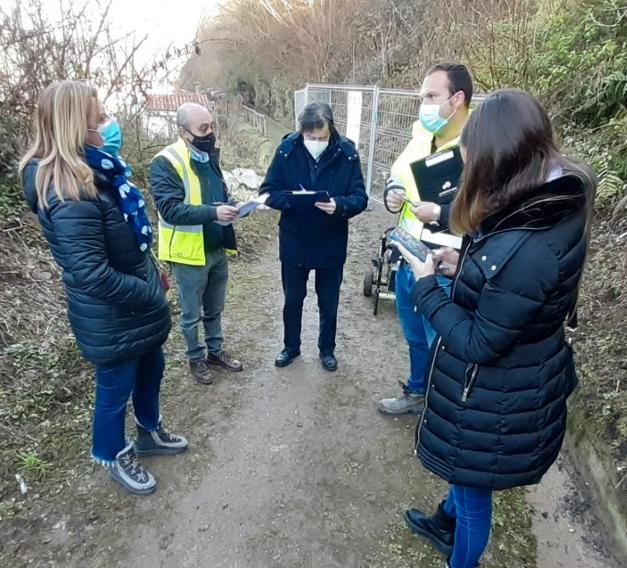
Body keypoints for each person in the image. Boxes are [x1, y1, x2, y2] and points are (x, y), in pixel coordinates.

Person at [390, 89, 594, 568]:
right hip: (512, 370)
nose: (469, 164)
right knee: (463, 471)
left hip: (497, 388)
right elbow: (507, 288)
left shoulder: (530, 243)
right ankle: (445, 520)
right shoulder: (543, 204)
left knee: (472, 478)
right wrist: (461, 266)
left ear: (501, 157)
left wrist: (426, 286)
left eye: (475, 153)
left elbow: (480, 341)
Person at [18, 81, 188, 496]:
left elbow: (126, 239)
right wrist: (148, 294)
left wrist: (152, 273)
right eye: (100, 118)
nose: (109, 125)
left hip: (135, 300)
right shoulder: (68, 189)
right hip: (112, 313)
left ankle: (150, 431)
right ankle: (112, 452)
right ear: (77, 125)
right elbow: (90, 272)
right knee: (115, 389)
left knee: (152, 368)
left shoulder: (99, 172)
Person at [378, 63, 474, 416]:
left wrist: (440, 212)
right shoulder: (420, 135)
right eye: (423, 97)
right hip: (408, 255)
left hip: (446, 266)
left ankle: (446, 412)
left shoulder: (480, 147)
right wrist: (392, 193)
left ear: (457, 98)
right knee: (415, 337)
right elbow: (397, 176)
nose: (424, 105)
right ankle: (417, 392)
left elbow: (487, 214)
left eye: (432, 96)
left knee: (444, 342)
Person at [260, 102, 368, 371]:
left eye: (321, 137)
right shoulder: (287, 151)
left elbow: (360, 197)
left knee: (329, 301)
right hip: (295, 240)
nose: (316, 142)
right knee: (293, 299)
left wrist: (339, 205)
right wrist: (290, 201)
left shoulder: (347, 153)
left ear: (331, 129)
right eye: (310, 137)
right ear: (302, 131)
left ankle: (327, 349)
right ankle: (291, 346)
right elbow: (268, 191)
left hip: (331, 240)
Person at [149, 102, 244, 385]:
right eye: (203, 128)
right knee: (191, 315)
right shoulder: (166, 162)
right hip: (188, 253)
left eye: (211, 126)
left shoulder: (208, 157)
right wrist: (214, 212)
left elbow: (218, 195)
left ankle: (215, 352)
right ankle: (196, 358)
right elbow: (170, 209)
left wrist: (232, 206)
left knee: (215, 308)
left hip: (216, 248)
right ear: (183, 131)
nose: (210, 133)